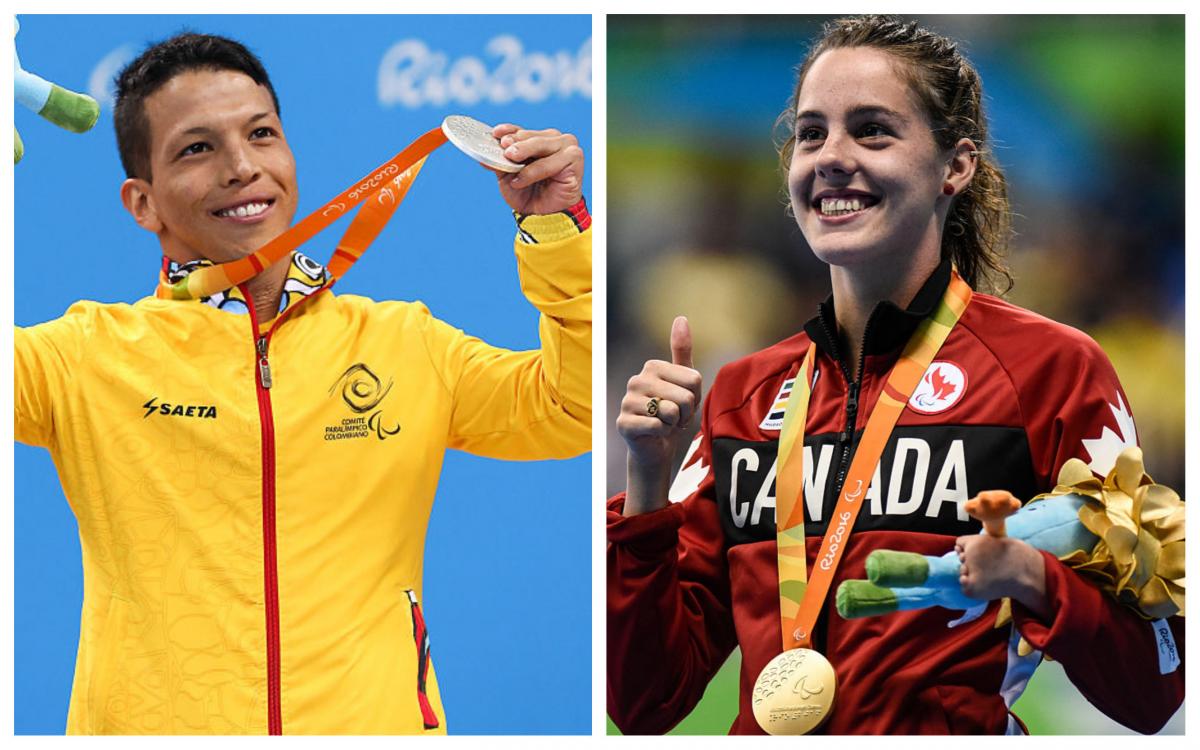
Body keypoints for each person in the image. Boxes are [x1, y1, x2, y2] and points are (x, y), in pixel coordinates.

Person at [607, 15, 1182, 735]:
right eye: (811, 133)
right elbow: (646, 701)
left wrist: (1035, 581)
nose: (830, 157)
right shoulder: (743, 398)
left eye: (872, 130)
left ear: (956, 166)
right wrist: (649, 485)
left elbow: (1156, 685)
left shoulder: (1051, 371)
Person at [15, 32, 590, 735]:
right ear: (143, 203)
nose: (242, 167)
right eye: (197, 148)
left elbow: (571, 409)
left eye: (261, 134)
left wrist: (557, 229)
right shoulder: (82, 359)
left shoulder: (403, 342)